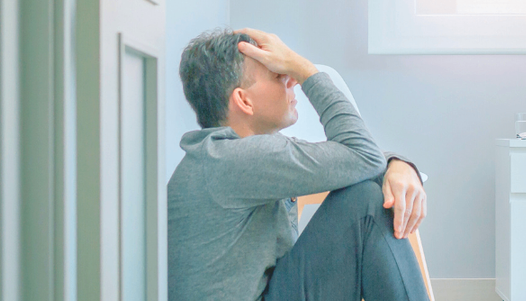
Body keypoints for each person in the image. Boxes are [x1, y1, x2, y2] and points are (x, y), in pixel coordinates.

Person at [168, 28, 430, 301]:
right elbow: (364, 156)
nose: (292, 81)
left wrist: (398, 164)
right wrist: (305, 68)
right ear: (244, 100)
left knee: (363, 191)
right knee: (365, 202)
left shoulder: (225, 155)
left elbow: (357, 160)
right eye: (278, 75)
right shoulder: (242, 158)